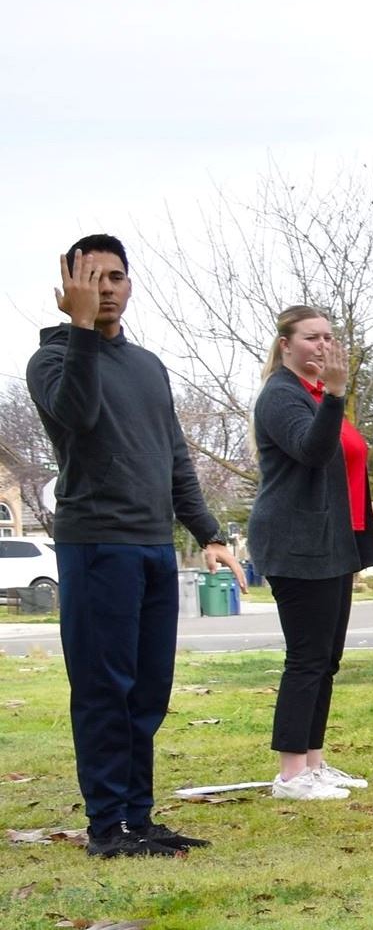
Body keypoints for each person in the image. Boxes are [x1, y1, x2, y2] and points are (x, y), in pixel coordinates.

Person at [27, 236, 245, 858]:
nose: (106, 288)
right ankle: (105, 828)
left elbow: (174, 455)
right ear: (68, 282)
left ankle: (138, 819)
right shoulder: (50, 360)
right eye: (92, 276)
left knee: (148, 690)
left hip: (153, 546)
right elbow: (78, 414)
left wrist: (209, 533)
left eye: (116, 276)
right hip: (96, 544)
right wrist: (79, 328)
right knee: (104, 687)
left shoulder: (149, 366)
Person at [248, 306, 373, 801]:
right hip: (297, 543)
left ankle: (313, 763)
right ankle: (289, 775)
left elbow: (336, 462)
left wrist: (364, 500)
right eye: (311, 338)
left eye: (328, 336)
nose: (323, 346)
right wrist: (338, 394)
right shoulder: (282, 395)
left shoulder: (313, 394)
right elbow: (312, 450)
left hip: (332, 539)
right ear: (286, 345)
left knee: (326, 658)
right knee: (306, 658)